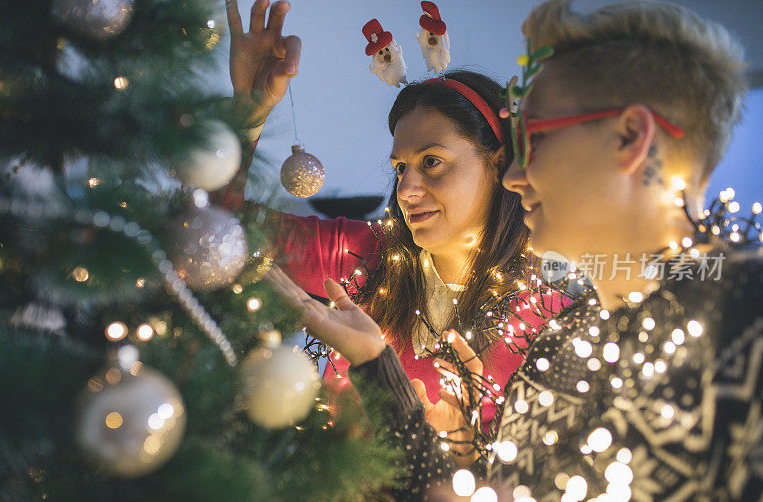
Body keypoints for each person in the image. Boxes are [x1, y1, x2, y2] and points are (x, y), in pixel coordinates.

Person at [269, 0, 763, 502]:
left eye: (534, 137)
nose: (513, 175)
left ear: (629, 139)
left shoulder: (745, 322)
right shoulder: (564, 343)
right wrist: (377, 367)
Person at [222, 0, 568, 461]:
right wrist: (247, 114)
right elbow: (216, 234)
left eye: (431, 162)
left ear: (498, 161)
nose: (405, 187)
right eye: (400, 167)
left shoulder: (550, 312)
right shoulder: (362, 258)